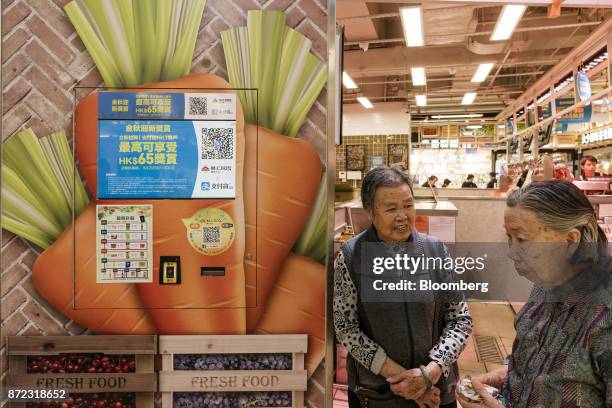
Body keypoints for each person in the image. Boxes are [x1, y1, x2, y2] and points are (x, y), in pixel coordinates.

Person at [457, 180, 611, 408]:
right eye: (510, 238)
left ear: (570, 241)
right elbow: (535, 355)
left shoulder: (603, 317)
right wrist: (505, 375)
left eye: (522, 240)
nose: (512, 253)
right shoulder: (545, 284)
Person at [334, 167, 473, 408]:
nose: (402, 216)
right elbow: (345, 328)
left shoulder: (435, 250)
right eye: (391, 208)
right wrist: (407, 383)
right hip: (377, 397)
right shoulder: (350, 257)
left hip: (437, 393)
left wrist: (430, 373)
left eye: (408, 205)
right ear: (370, 212)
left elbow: (460, 319)